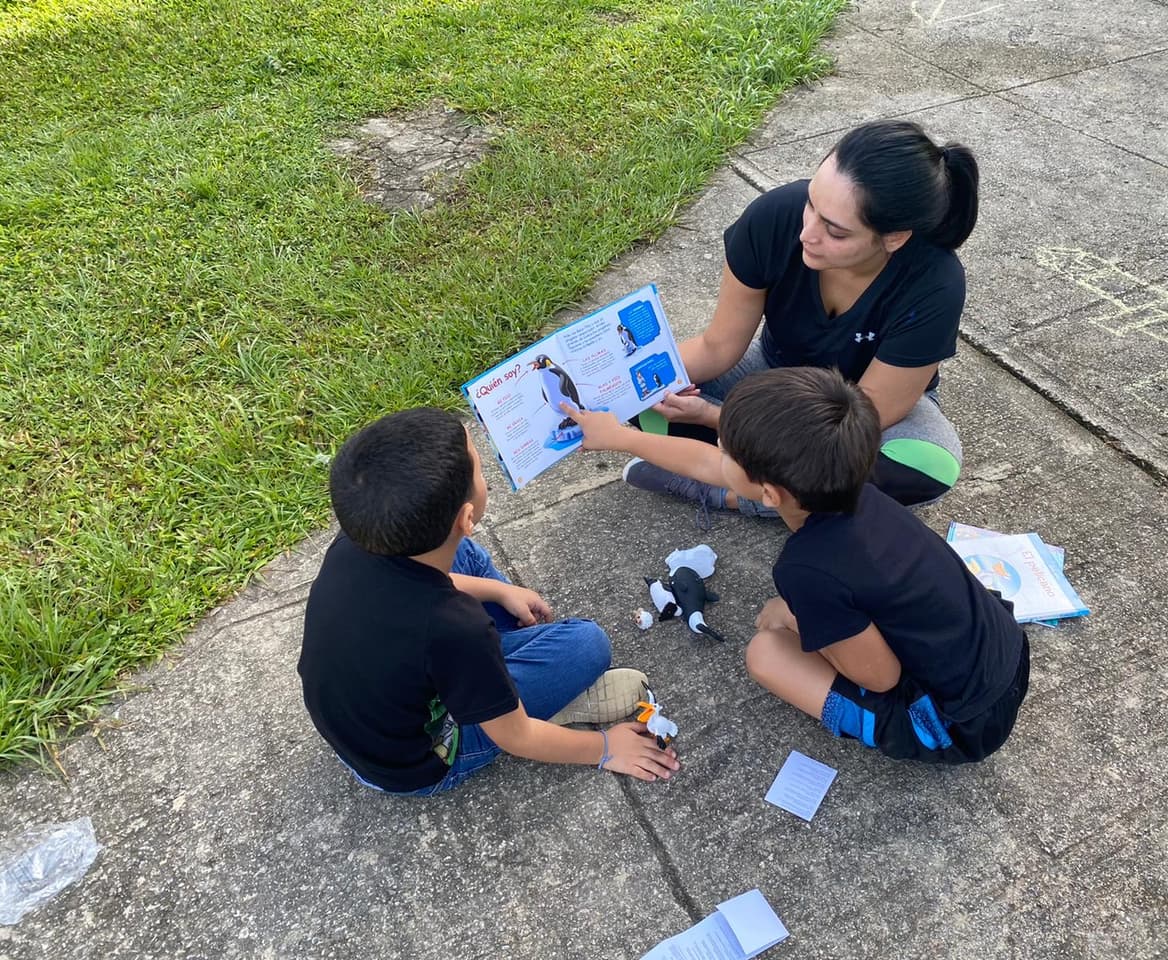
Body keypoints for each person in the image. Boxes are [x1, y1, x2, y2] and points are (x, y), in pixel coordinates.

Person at [560, 366, 1029, 764]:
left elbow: (880, 677)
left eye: (727, 448)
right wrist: (621, 437)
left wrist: (794, 617)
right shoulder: (860, 490)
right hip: (1004, 656)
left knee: (766, 653)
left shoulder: (808, 568)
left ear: (768, 494)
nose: (718, 445)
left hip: (958, 724)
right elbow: (708, 466)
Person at [297, 407, 680, 796]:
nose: (486, 477)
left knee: (463, 554)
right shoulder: (457, 628)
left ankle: (499, 687)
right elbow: (518, 738)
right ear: (467, 516)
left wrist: (500, 591)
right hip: (419, 764)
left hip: (370, 715)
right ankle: (535, 705)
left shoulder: (355, 542)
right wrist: (605, 748)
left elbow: (415, 587)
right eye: (481, 469)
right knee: (587, 645)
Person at [625, 119, 979, 518]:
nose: (806, 234)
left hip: (856, 411)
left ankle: (726, 490)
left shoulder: (934, 283)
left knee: (928, 464)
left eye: (836, 232)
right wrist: (621, 382)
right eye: (811, 204)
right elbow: (717, 347)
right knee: (641, 395)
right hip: (774, 373)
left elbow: (860, 417)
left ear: (894, 237)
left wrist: (715, 417)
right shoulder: (774, 217)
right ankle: (770, 486)